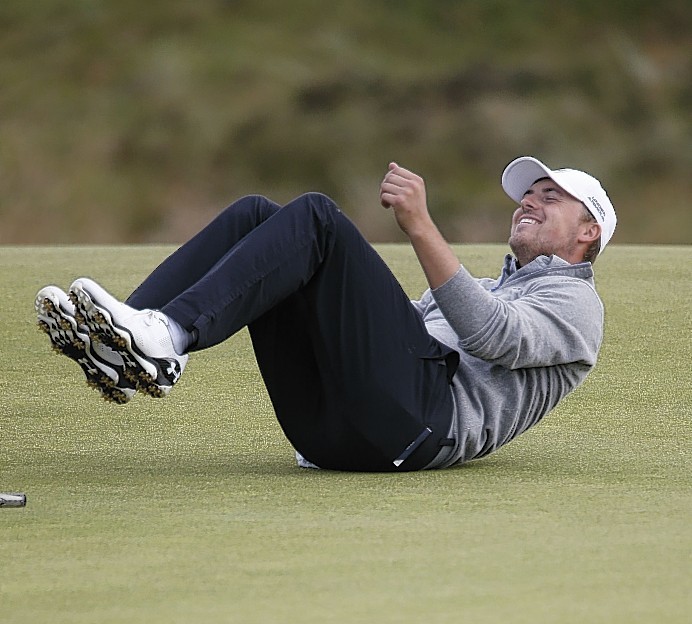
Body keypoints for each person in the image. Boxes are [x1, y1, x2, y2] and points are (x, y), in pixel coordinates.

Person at [35, 155, 616, 472]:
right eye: (528, 194)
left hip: (418, 429)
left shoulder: (575, 303)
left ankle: (164, 337)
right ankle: (120, 339)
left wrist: (421, 227)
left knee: (317, 216)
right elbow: (387, 332)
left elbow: (492, 335)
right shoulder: (490, 286)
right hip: (329, 435)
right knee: (256, 215)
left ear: (588, 232)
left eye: (550, 196)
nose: (528, 202)